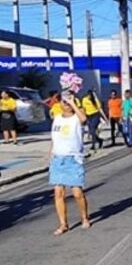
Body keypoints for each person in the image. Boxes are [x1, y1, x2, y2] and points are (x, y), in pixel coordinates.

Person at [50, 93, 90, 236]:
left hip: (73, 159)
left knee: (77, 193)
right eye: (64, 101)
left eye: (68, 102)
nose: (65, 104)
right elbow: (54, 140)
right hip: (58, 159)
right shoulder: (57, 119)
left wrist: (73, 103)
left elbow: (84, 119)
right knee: (58, 193)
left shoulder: (76, 118)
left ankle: (84, 217)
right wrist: (51, 155)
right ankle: (63, 224)